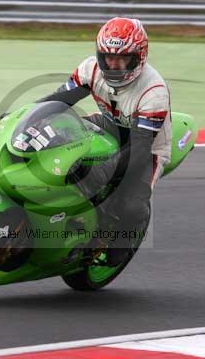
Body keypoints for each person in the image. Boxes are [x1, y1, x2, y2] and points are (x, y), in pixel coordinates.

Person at [36, 17, 172, 266]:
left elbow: (140, 150)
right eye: (108, 57)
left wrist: (101, 172)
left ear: (139, 57)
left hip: (147, 144)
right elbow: (60, 100)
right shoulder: (91, 68)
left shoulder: (154, 91)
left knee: (130, 200)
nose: (113, 65)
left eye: (122, 59)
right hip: (109, 124)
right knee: (58, 132)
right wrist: (25, 116)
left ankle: (128, 236)